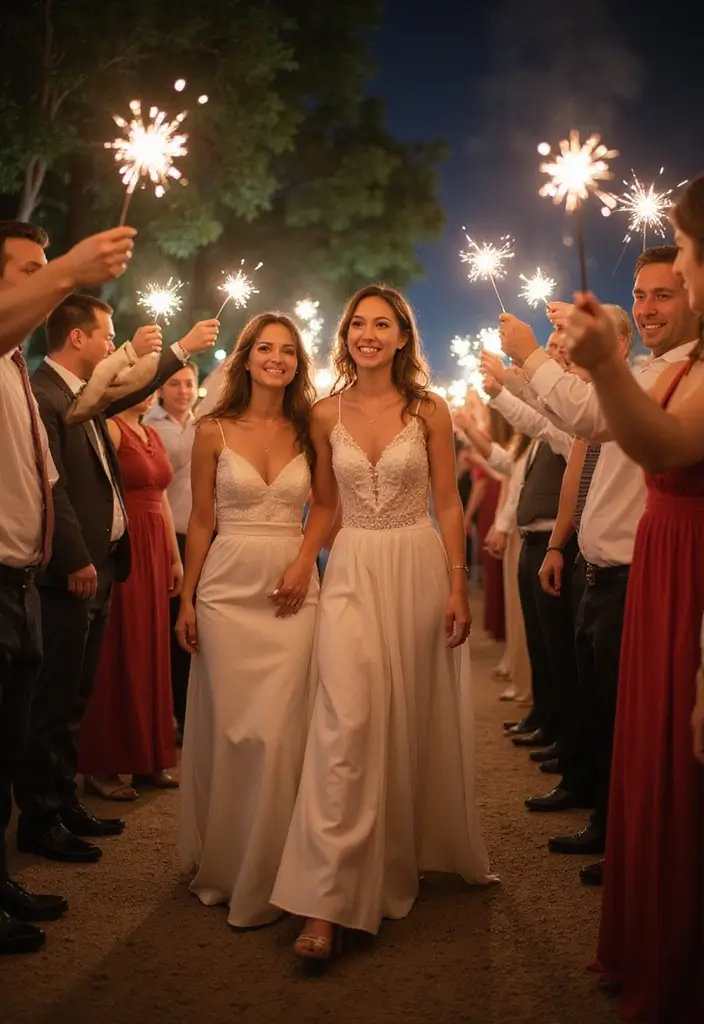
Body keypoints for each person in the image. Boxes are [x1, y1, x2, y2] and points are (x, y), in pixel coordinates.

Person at [270, 285, 496, 960]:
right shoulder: (323, 413)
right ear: (346, 336)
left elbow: (448, 504)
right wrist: (301, 560)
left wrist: (457, 586)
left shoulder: (429, 409)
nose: (367, 334)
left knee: (405, 715)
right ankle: (324, 902)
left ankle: (399, 852)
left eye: (382, 324)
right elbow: (325, 505)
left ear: (402, 337)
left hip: (416, 566)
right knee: (344, 722)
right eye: (358, 324)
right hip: (352, 568)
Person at [562, 175, 704, 1024]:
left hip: (687, 567)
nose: (677, 274)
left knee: (678, 767)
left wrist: (603, 367)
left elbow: (662, 445)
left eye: (685, 255)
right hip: (663, 560)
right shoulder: (685, 365)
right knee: (649, 752)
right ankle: (649, 942)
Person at [15, 298, 218, 855]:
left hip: (106, 563)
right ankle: (39, 818)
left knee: (77, 693)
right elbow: (52, 486)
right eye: (106, 336)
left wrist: (181, 349)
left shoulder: (85, 394)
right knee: (53, 699)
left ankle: (64, 801)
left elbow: (130, 393)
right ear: (77, 338)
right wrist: (75, 557)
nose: (113, 346)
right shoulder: (44, 393)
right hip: (73, 569)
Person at [0, 220, 135, 954]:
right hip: (21, 577)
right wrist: (73, 272)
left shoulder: (18, 370)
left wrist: (165, 354)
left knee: (34, 719)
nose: (44, 280)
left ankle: (14, 863)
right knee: (32, 719)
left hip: (26, 575)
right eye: (30, 269)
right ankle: (40, 823)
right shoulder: (21, 366)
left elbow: (45, 475)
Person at [177, 313, 319, 928]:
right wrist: (186, 598)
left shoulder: (311, 428)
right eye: (265, 348)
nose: (276, 358)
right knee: (236, 732)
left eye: (287, 350)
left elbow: (329, 506)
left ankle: (284, 867)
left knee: (283, 730)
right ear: (246, 357)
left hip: (294, 585)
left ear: (298, 363)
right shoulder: (211, 429)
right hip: (226, 588)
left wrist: (305, 561)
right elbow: (200, 520)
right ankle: (233, 864)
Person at [77, 392, 181, 797]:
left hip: (155, 546)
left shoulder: (150, 433)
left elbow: (163, 497)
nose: (150, 390)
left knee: (151, 649)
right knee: (119, 648)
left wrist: (174, 557)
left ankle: (148, 758)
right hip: (125, 544)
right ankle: (102, 765)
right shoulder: (111, 428)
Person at [144, 364, 199, 740]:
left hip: (204, 536)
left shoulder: (205, 423)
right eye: (174, 383)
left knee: (201, 625)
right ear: (161, 390)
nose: (183, 390)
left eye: (189, 383)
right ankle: (171, 716)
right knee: (171, 627)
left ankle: (191, 711)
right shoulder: (150, 426)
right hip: (170, 536)